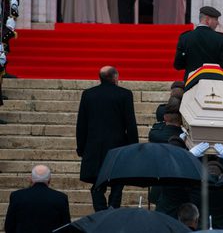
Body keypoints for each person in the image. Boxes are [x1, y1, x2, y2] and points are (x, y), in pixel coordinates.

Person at [76, 66, 138, 212]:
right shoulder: (124, 94)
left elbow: (81, 124)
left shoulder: (88, 94)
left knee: (98, 183)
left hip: (94, 147)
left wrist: (81, 147)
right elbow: (130, 124)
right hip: (118, 146)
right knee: (117, 182)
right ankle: (112, 210)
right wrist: (133, 147)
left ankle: (100, 212)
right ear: (115, 77)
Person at [4, 164, 71, 233]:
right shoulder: (60, 198)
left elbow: (9, 227)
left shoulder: (17, 196)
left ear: (31, 179)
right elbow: (66, 227)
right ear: (49, 179)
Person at [174, 6, 223, 82]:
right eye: (216, 19)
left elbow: (178, 65)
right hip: (214, 82)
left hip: (191, 82)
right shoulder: (220, 38)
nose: (218, 23)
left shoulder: (185, 37)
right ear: (207, 20)